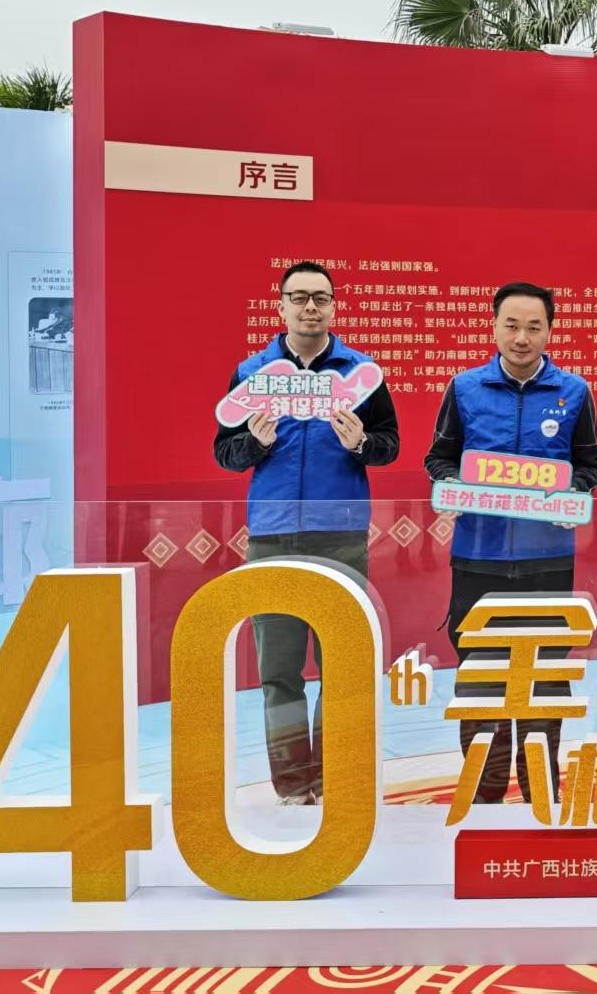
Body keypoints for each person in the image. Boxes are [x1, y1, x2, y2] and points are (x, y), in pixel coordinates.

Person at [213, 261, 401, 805]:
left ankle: (336, 778)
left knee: (342, 665)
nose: (310, 307)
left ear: (334, 307)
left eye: (320, 297)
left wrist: (361, 442)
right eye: (299, 297)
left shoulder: (362, 375)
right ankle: (294, 786)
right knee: (278, 671)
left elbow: (389, 446)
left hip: (340, 537)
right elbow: (225, 453)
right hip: (272, 539)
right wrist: (255, 443)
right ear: (281, 307)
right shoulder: (254, 373)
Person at [424, 281, 597, 804]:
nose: (522, 337)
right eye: (512, 325)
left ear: (549, 332)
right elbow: (439, 458)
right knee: (481, 680)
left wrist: (575, 492)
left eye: (533, 327)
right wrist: (451, 485)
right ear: (494, 326)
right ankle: (483, 795)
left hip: (548, 564)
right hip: (477, 561)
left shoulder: (574, 392)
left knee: (544, 680)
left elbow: (588, 465)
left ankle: (538, 792)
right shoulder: (465, 388)